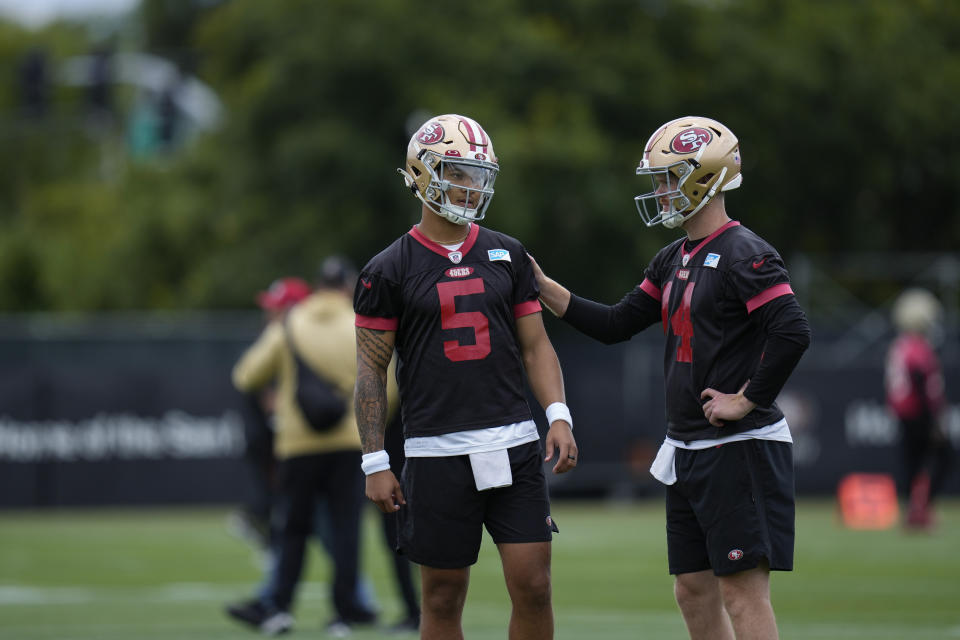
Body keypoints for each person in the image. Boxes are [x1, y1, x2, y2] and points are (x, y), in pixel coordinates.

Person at [532, 116, 811, 640]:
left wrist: (747, 399)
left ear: (703, 177)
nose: (659, 191)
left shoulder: (744, 253)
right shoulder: (673, 256)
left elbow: (793, 330)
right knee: (693, 588)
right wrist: (543, 286)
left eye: (667, 178)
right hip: (688, 448)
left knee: (742, 592)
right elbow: (617, 324)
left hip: (738, 447)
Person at [353, 113, 578, 640]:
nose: (469, 186)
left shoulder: (507, 252)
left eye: (477, 174)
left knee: (534, 584)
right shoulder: (388, 268)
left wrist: (559, 415)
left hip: (514, 442)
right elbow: (369, 369)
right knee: (442, 594)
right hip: (435, 450)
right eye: (457, 172)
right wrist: (373, 459)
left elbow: (536, 343)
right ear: (423, 173)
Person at [228, 258, 392, 636]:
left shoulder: (291, 321)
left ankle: (280, 608)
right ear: (348, 286)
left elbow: (247, 374)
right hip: (349, 442)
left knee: (293, 529)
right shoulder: (359, 320)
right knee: (346, 529)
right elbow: (389, 386)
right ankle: (343, 614)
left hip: (297, 443)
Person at [885, 287, 954, 530]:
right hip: (920, 412)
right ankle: (923, 508)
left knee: (911, 462)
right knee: (944, 456)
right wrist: (935, 419)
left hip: (905, 413)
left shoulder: (899, 346)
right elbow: (923, 382)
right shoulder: (918, 347)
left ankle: (913, 509)